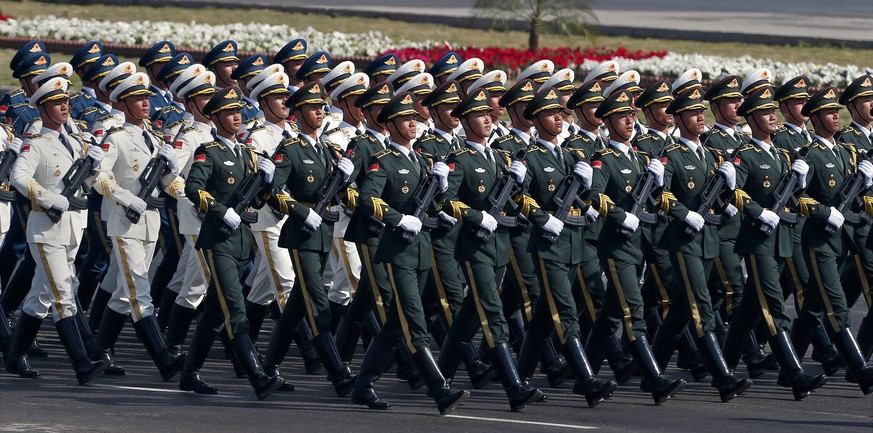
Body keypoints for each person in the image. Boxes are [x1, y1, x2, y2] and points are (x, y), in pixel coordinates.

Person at [350, 91, 473, 414]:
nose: (414, 123)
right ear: (389, 125)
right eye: (406, 119)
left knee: (395, 324)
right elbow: (367, 199)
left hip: (421, 250)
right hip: (397, 250)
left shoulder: (421, 160)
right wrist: (396, 218)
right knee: (413, 321)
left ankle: (363, 385)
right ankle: (439, 389)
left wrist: (442, 191)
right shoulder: (384, 160)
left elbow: (433, 205)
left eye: (415, 118)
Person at [720, 86, 829, 400]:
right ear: (752, 117)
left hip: (784, 237)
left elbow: (795, 196)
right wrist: (758, 212)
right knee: (773, 307)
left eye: (773, 110)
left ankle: (723, 372)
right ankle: (793, 374)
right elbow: (733, 192)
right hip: (758, 239)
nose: (773, 116)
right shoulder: (744, 154)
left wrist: (803, 182)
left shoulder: (783, 154)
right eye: (766, 112)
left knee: (748, 311)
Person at [179, 85, 284, 400]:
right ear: (215, 117)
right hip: (218, 240)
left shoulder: (249, 154)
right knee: (235, 306)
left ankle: (189, 373)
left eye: (238, 111)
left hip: (241, 241)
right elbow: (193, 188)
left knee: (214, 311)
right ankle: (257, 376)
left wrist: (267, 181)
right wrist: (221, 211)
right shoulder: (208, 152)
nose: (237, 117)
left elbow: (262, 198)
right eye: (229, 112)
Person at [5, 76, 108, 384]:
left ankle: (15, 356)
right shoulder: (36, 144)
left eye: (66, 101)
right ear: (42, 108)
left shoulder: (77, 142)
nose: (65, 106)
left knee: (40, 296)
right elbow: (18, 176)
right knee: (64, 293)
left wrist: (96, 167)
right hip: (46, 230)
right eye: (57, 103)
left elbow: (86, 184)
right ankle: (82, 362)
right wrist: (48, 197)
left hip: (73, 228)